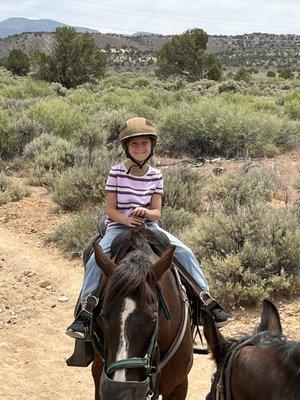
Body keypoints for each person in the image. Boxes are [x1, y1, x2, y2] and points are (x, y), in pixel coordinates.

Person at [66, 117, 232, 339]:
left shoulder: (156, 175)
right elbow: (110, 210)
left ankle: (206, 301)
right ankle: (86, 311)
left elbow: (157, 212)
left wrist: (145, 214)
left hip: (148, 227)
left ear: (152, 146)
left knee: (184, 251)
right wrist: (126, 220)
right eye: (134, 144)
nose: (140, 148)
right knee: (98, 257)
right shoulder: (116, 172)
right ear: (126, 148)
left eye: (144, 143)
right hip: (118, 226)